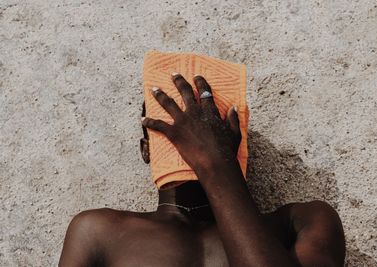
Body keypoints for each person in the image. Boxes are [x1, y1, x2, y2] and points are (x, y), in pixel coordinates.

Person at [59, 74, 345, 266]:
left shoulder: (302, 222)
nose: (195, 136)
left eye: (212, 126)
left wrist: (215, 162)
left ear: (234, 139)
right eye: (172, 126)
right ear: (146, 149)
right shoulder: (97, 232)